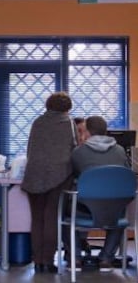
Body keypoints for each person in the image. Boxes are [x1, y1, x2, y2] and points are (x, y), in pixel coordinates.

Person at [21, 91, 77, 274]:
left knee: (36, 218)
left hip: (34, 174)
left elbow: (30, 150)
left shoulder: (38, 122)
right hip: (59, 176)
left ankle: (37, 262)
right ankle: (48, 261)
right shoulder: (69, 123)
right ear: (67, 108)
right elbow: (74, 150)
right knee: (51, 217)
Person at [68, 115, 130, 272]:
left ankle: (75, 257)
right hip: (113, 211)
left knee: (63, 209)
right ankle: (106, 258)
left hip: (85, 209)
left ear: (87, 132)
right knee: (120, 210)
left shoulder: (78, 152)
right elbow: (126, 173)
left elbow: (73, 176)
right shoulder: (120, 151)